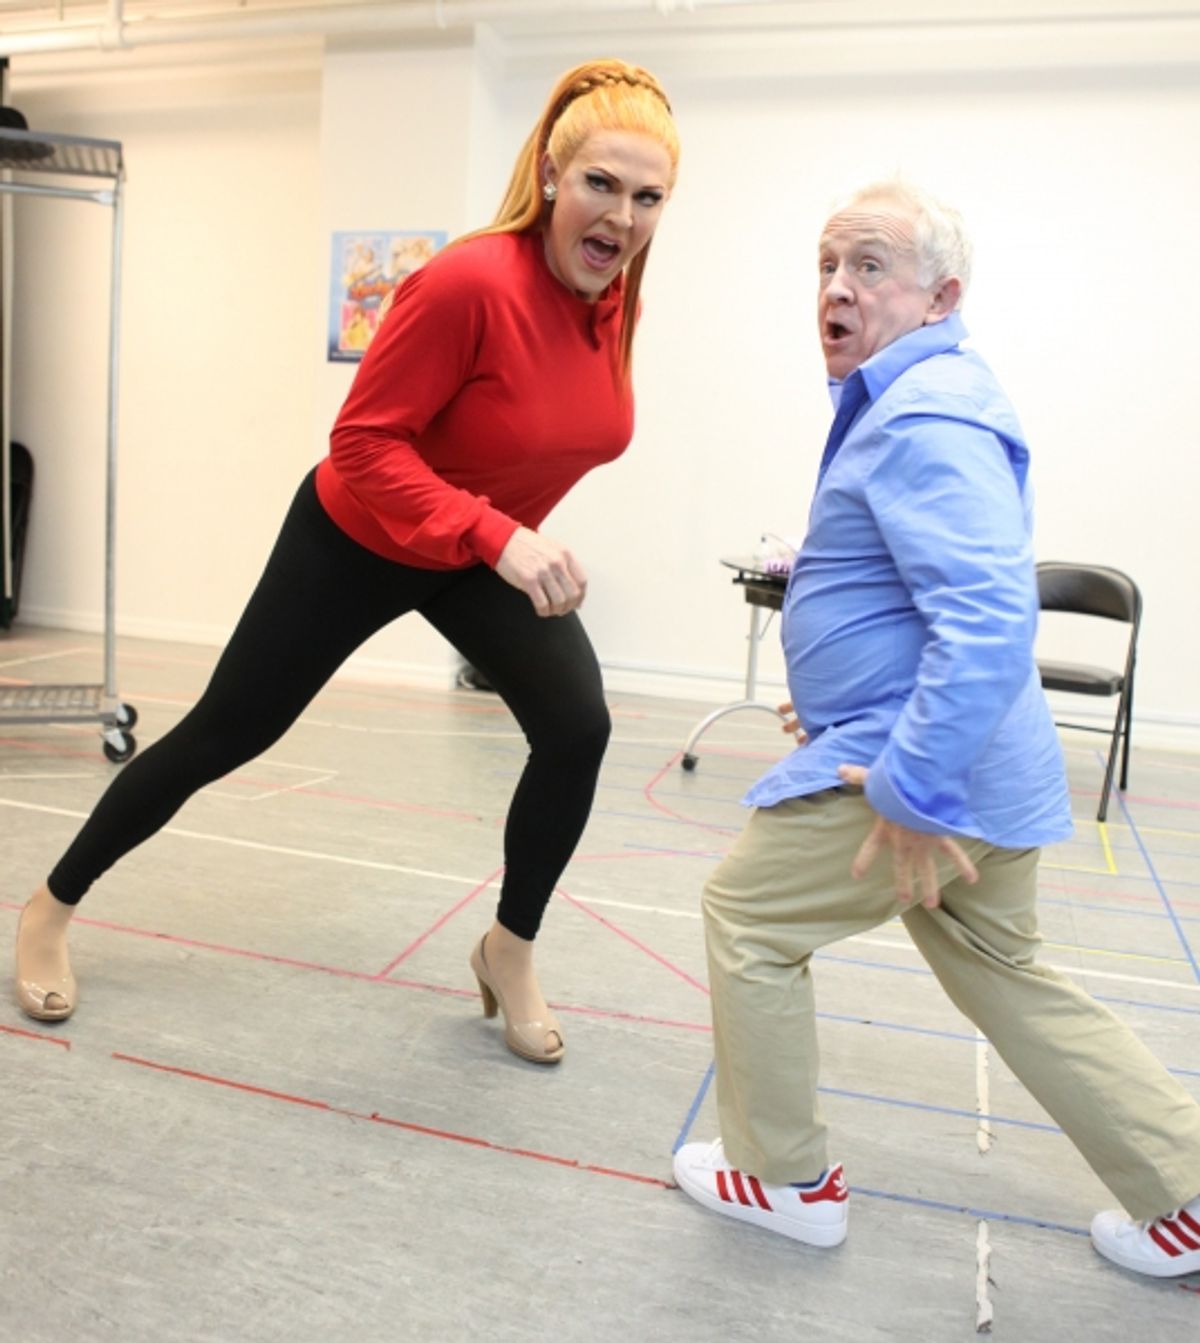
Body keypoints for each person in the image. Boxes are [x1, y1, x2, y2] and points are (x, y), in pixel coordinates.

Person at [14, 58, 680, 1067]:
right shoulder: (466, 282)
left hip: (469, 551)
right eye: (601, 183)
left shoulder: (616, 304)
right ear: (549, 174)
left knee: (578, 725)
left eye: (647, 197)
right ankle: (49, 906)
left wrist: (500, 536)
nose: (621, 216)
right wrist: (503, 533)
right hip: (358, 536)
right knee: (225, 733)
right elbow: (365, 444)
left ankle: (509, 945)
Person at [672, 180, 1200, 1277]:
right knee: (1006, 965)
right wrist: (828, 696)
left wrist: (909, 788)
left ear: (941, 292)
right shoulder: (918, 394)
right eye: (826, 263)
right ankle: (1187, 1189)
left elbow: (991, 620)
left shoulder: (926, 412)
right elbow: (928, 604)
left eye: (869, 266)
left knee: (748, 917)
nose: (836, 287)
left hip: (922, 769)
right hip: (970, 758)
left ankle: (782, 1177)